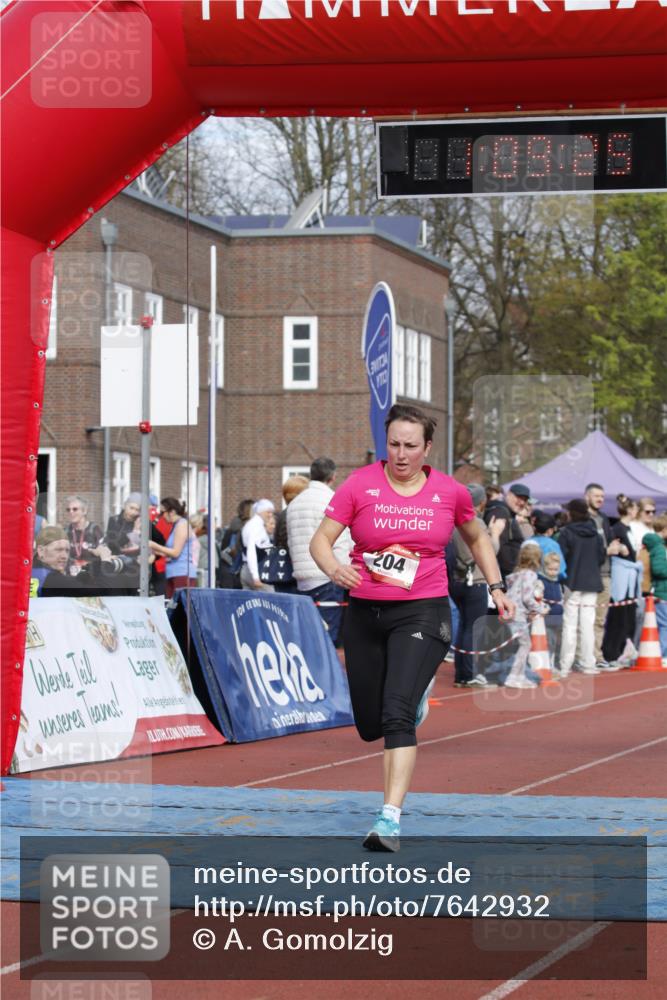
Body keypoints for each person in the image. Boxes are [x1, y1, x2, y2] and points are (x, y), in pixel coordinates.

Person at [309, 403, 514, 852]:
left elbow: (477, 537)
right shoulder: (360, 484)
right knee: (369, 723)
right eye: (394, 445)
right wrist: (335, 568)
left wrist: (496, 586)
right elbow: (320, 540)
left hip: (422, 608)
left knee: (396, 713)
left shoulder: (450, 492)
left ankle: (389, 820)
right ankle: (411, 695)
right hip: (365, 611)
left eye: (410, 446)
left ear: (427, 448)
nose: (400, 454)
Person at [287, 457, 353, 644]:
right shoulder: (332, 499)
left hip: (302, 577)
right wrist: (344, 573)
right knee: (327, 638)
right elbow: (340, 541)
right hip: (327, 575)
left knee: (306, 635)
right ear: (333, 477)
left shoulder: (295, 503)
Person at [449, 483, 502, 689]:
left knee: (464, 626)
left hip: (458, 579)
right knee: (472, 628)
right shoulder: (476, 523)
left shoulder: (453, 522)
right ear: (482, 503)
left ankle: (462, 673)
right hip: (476, 581)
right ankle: (469, 674)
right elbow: (489, 550)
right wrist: (495, 533)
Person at [557, 499, 606, 677]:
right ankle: (588, 663)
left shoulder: (566, 533)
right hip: (592, 582)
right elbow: (601, 557)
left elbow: (561, 557)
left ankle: (565, 664)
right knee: (588, 624)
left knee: (570, 624)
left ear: (572, 513)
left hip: (573, 582)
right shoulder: (596, 534)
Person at [585, 482, 623, 667]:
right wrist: (607, 550)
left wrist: (617, 547)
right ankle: (585, 656)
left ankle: (597, 655)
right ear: (587, 497)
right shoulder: (583, 519)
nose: (600, 499)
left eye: (602, 496)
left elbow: (609, 542)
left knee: (600, 619)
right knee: (585, 619)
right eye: (596, 496)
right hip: (588, 575)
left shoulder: (604, 518)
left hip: (606, 574)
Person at [31, 525, 128, 596]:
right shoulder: (53, 580)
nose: (64, 556)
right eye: (58, 550)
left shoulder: (29, 573)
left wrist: (87, 572)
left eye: (67, 550)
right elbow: (102, 592)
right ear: (41, 550)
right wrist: (106, 560)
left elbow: (68, 584)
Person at [602, 496, 640, 667]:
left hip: (630, 576)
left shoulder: (629, 529)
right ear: (630, 510)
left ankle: (624, 649)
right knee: (618, 615)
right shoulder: (617, 528)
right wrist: (621, 549)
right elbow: (617, 548)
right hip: (621, 575)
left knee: (628, 615)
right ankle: (612, 652)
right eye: (636, 508)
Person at [504, 543, 548, 689]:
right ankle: (514, 676)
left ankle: (520, 675)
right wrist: (541, 608)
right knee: (525, 644)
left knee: (521, 645)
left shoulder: (516, 574)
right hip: (518, 615)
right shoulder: (530, 575)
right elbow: (527, 598)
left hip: (510, 613)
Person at [148, 497, 199, 599]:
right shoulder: (176, 525)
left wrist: (154, 545)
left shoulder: (182, 525)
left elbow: (176, 552)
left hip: (182, 573)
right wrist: (155, 552)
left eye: (163, 513)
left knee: (180, 608)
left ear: (172, 512)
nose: (161, 516)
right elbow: (170, 552)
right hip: (174, 572)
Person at [484, 483, 531, 580]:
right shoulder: (500, 513)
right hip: (502, 575)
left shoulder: (507, 513)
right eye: (519, 497)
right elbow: (499, 547)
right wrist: (511, 570)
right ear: (508, 495)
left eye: (525, 500)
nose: (522, 502)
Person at [272, 475, 309, 594]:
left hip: (288, 572)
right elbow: (285, 542)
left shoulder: (285, 513)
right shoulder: (291, 514)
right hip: (290, 573)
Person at [643, 514, 667, 666]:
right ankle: (663, 654)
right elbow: (659, 569)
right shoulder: (659, 548)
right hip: (661, 591)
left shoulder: (658, 546)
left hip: (661, 591)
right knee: (664, 625)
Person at [240, 499, 276, 591]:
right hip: (257, 570)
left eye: (271, 512)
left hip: (246, 569)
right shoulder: (257, 527)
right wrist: (256, 577)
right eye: (268, 512)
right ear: (260, 511)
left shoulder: (250, 524)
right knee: (271, 601)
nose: (270, 515)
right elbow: (252, 551)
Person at [64, 495, 104, 575]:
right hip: (71, 577)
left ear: (84, 511)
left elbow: (104, 553)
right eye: (68, 510)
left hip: (91, 577)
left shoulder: (95, 530)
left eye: (75, 509)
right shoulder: (65, 531)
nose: (71, 512)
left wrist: (98, 552)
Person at [526, 510, 567, 581]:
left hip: (528, 582)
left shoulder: (526, 542)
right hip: (547, 583)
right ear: (550, 530)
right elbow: (561, 570)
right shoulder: (552, 544)